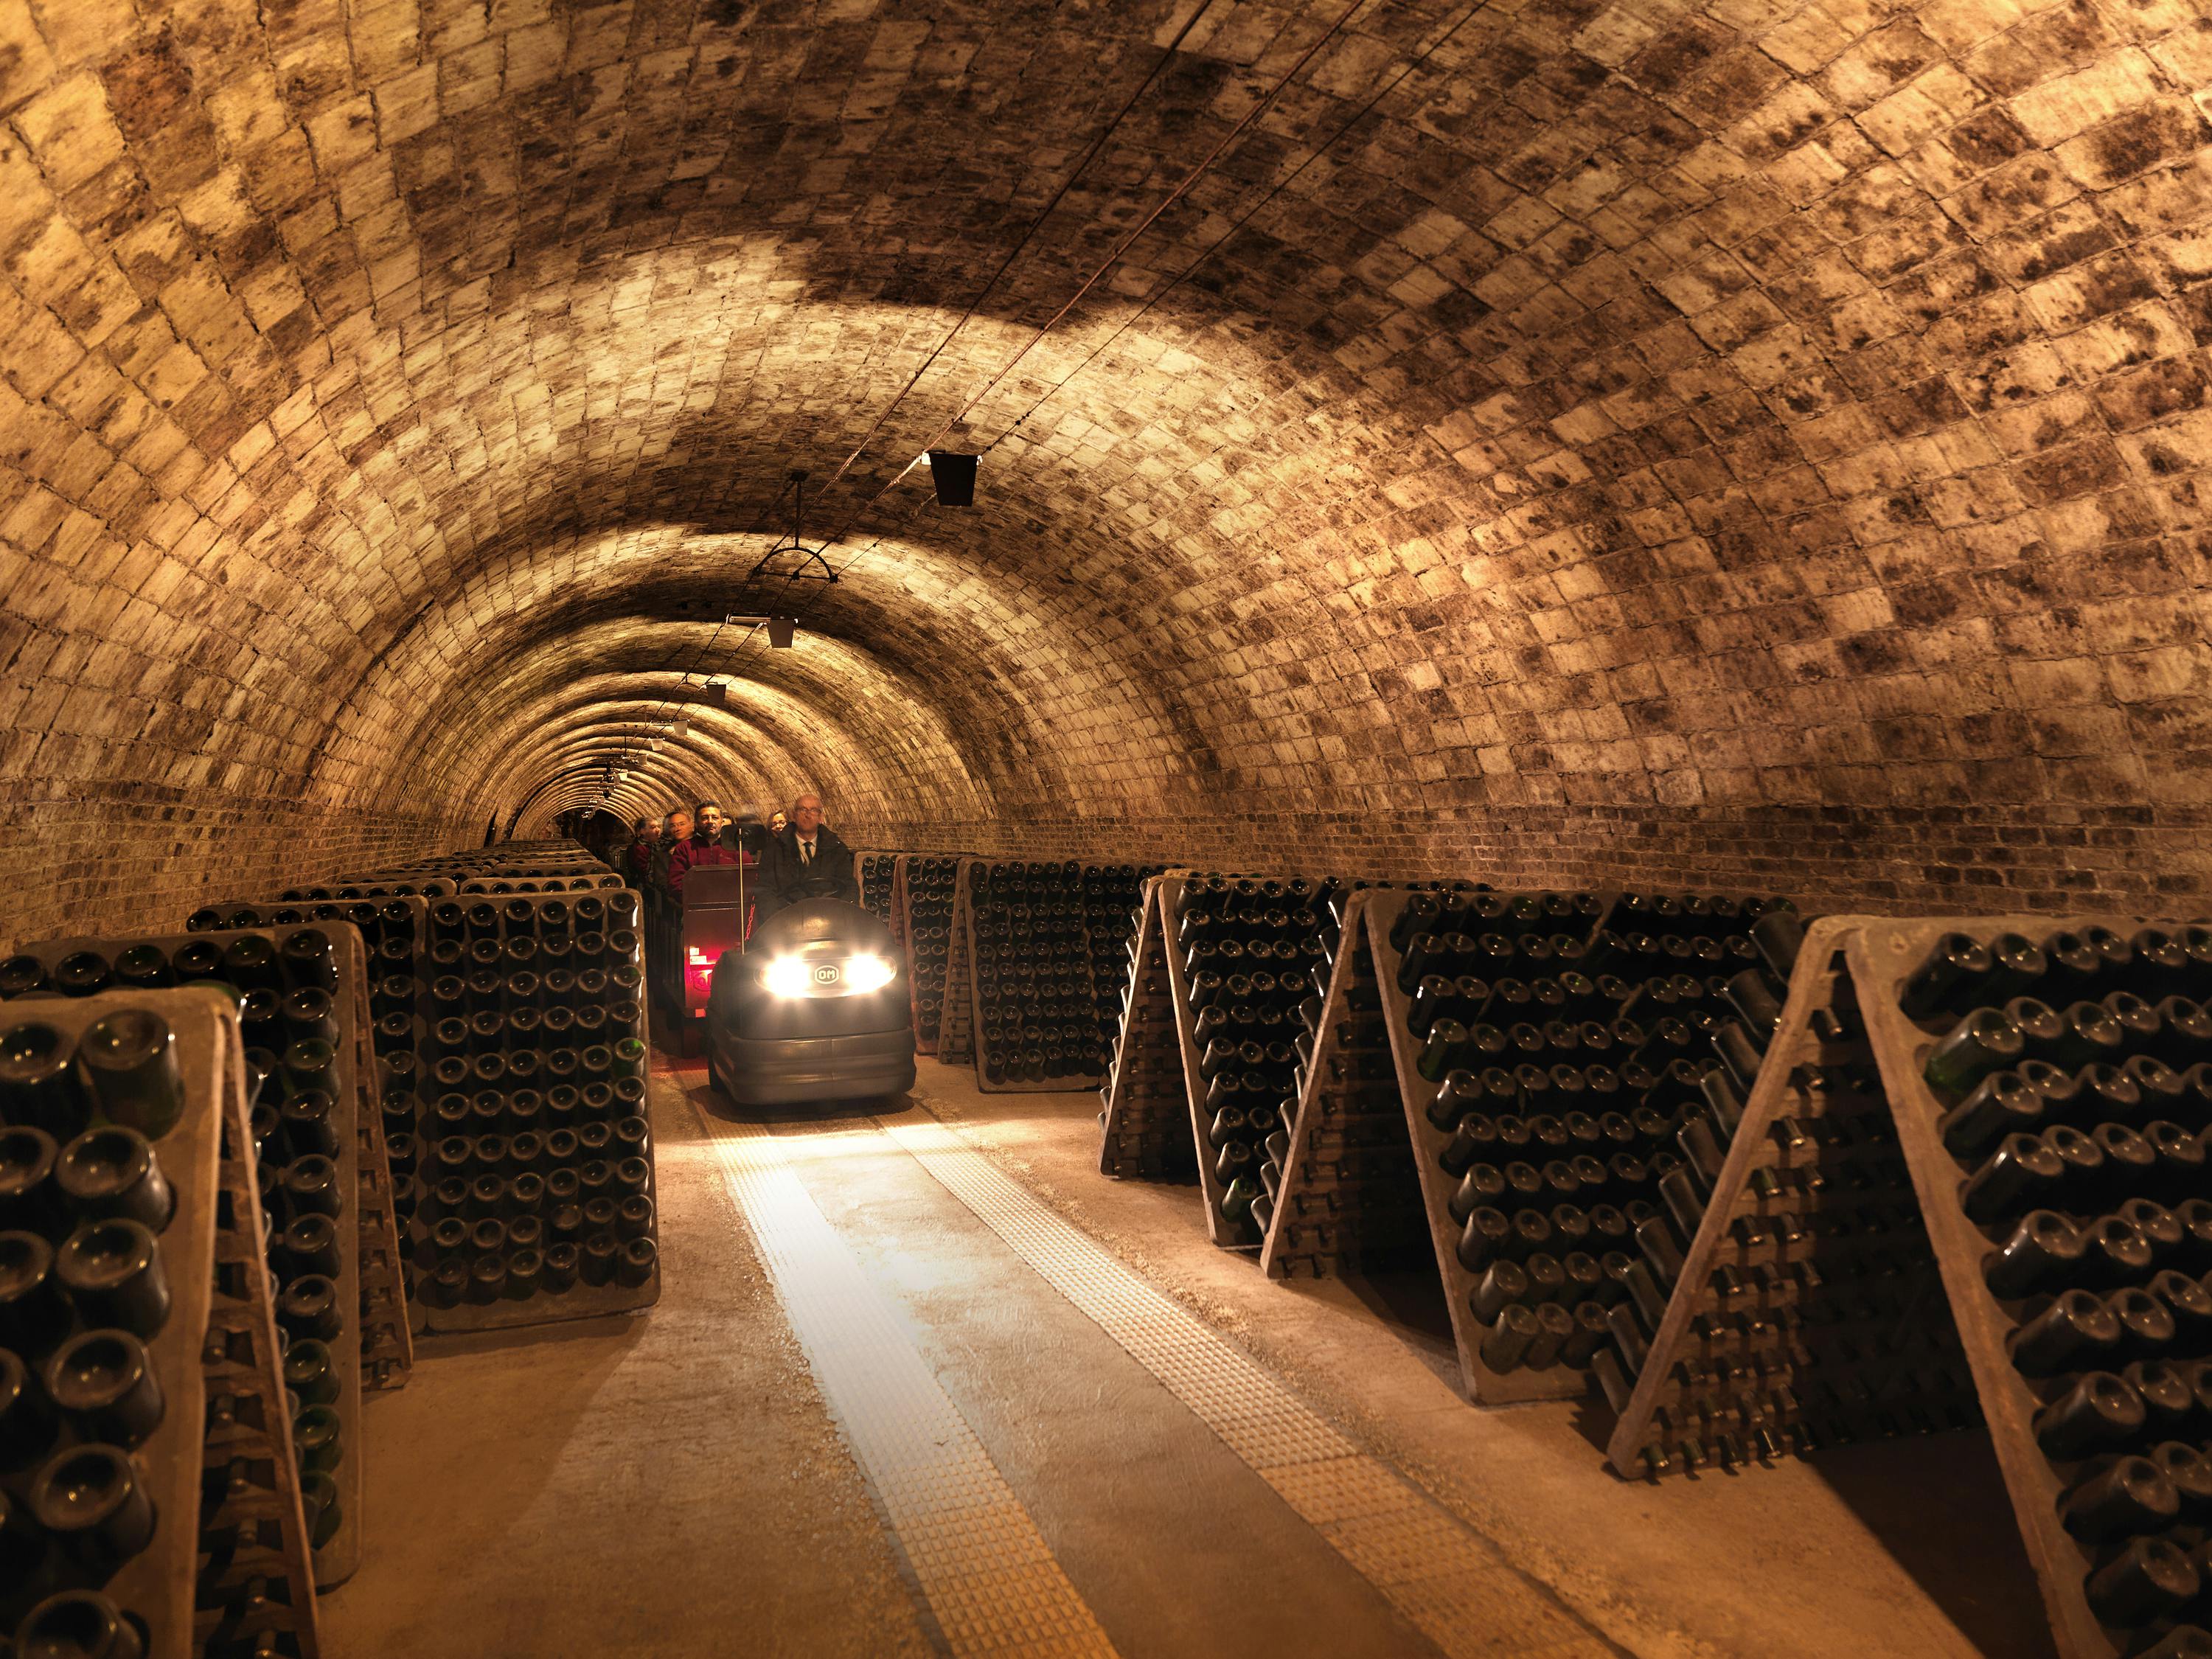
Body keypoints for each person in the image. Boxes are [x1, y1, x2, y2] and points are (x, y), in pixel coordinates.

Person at [758, 791, 858, 916]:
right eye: (803, 810)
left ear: (821, 817)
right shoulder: (775, 850)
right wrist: (773, 921)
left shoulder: (836, 849)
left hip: (828, 916)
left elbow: (848, 884)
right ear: (794, 815)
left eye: (813, 810)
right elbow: (766, 889)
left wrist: (845, 916)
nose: (808, 815)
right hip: (787, 917)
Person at [669, 801, 742, 894]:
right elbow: (676, 883)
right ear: (696, 823)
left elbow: (748, 878)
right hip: (695, 905)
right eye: (705, 818)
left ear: (721, 822)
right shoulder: (685, 848)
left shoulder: (736, 847)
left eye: (715, 818)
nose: (710, 821)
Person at [624, 819, 655, 884]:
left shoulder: (650, 845)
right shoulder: (638, 849)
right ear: (642, 831)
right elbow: (643, 872)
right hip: (644, 885)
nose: (658, 830)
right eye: (652, 827)